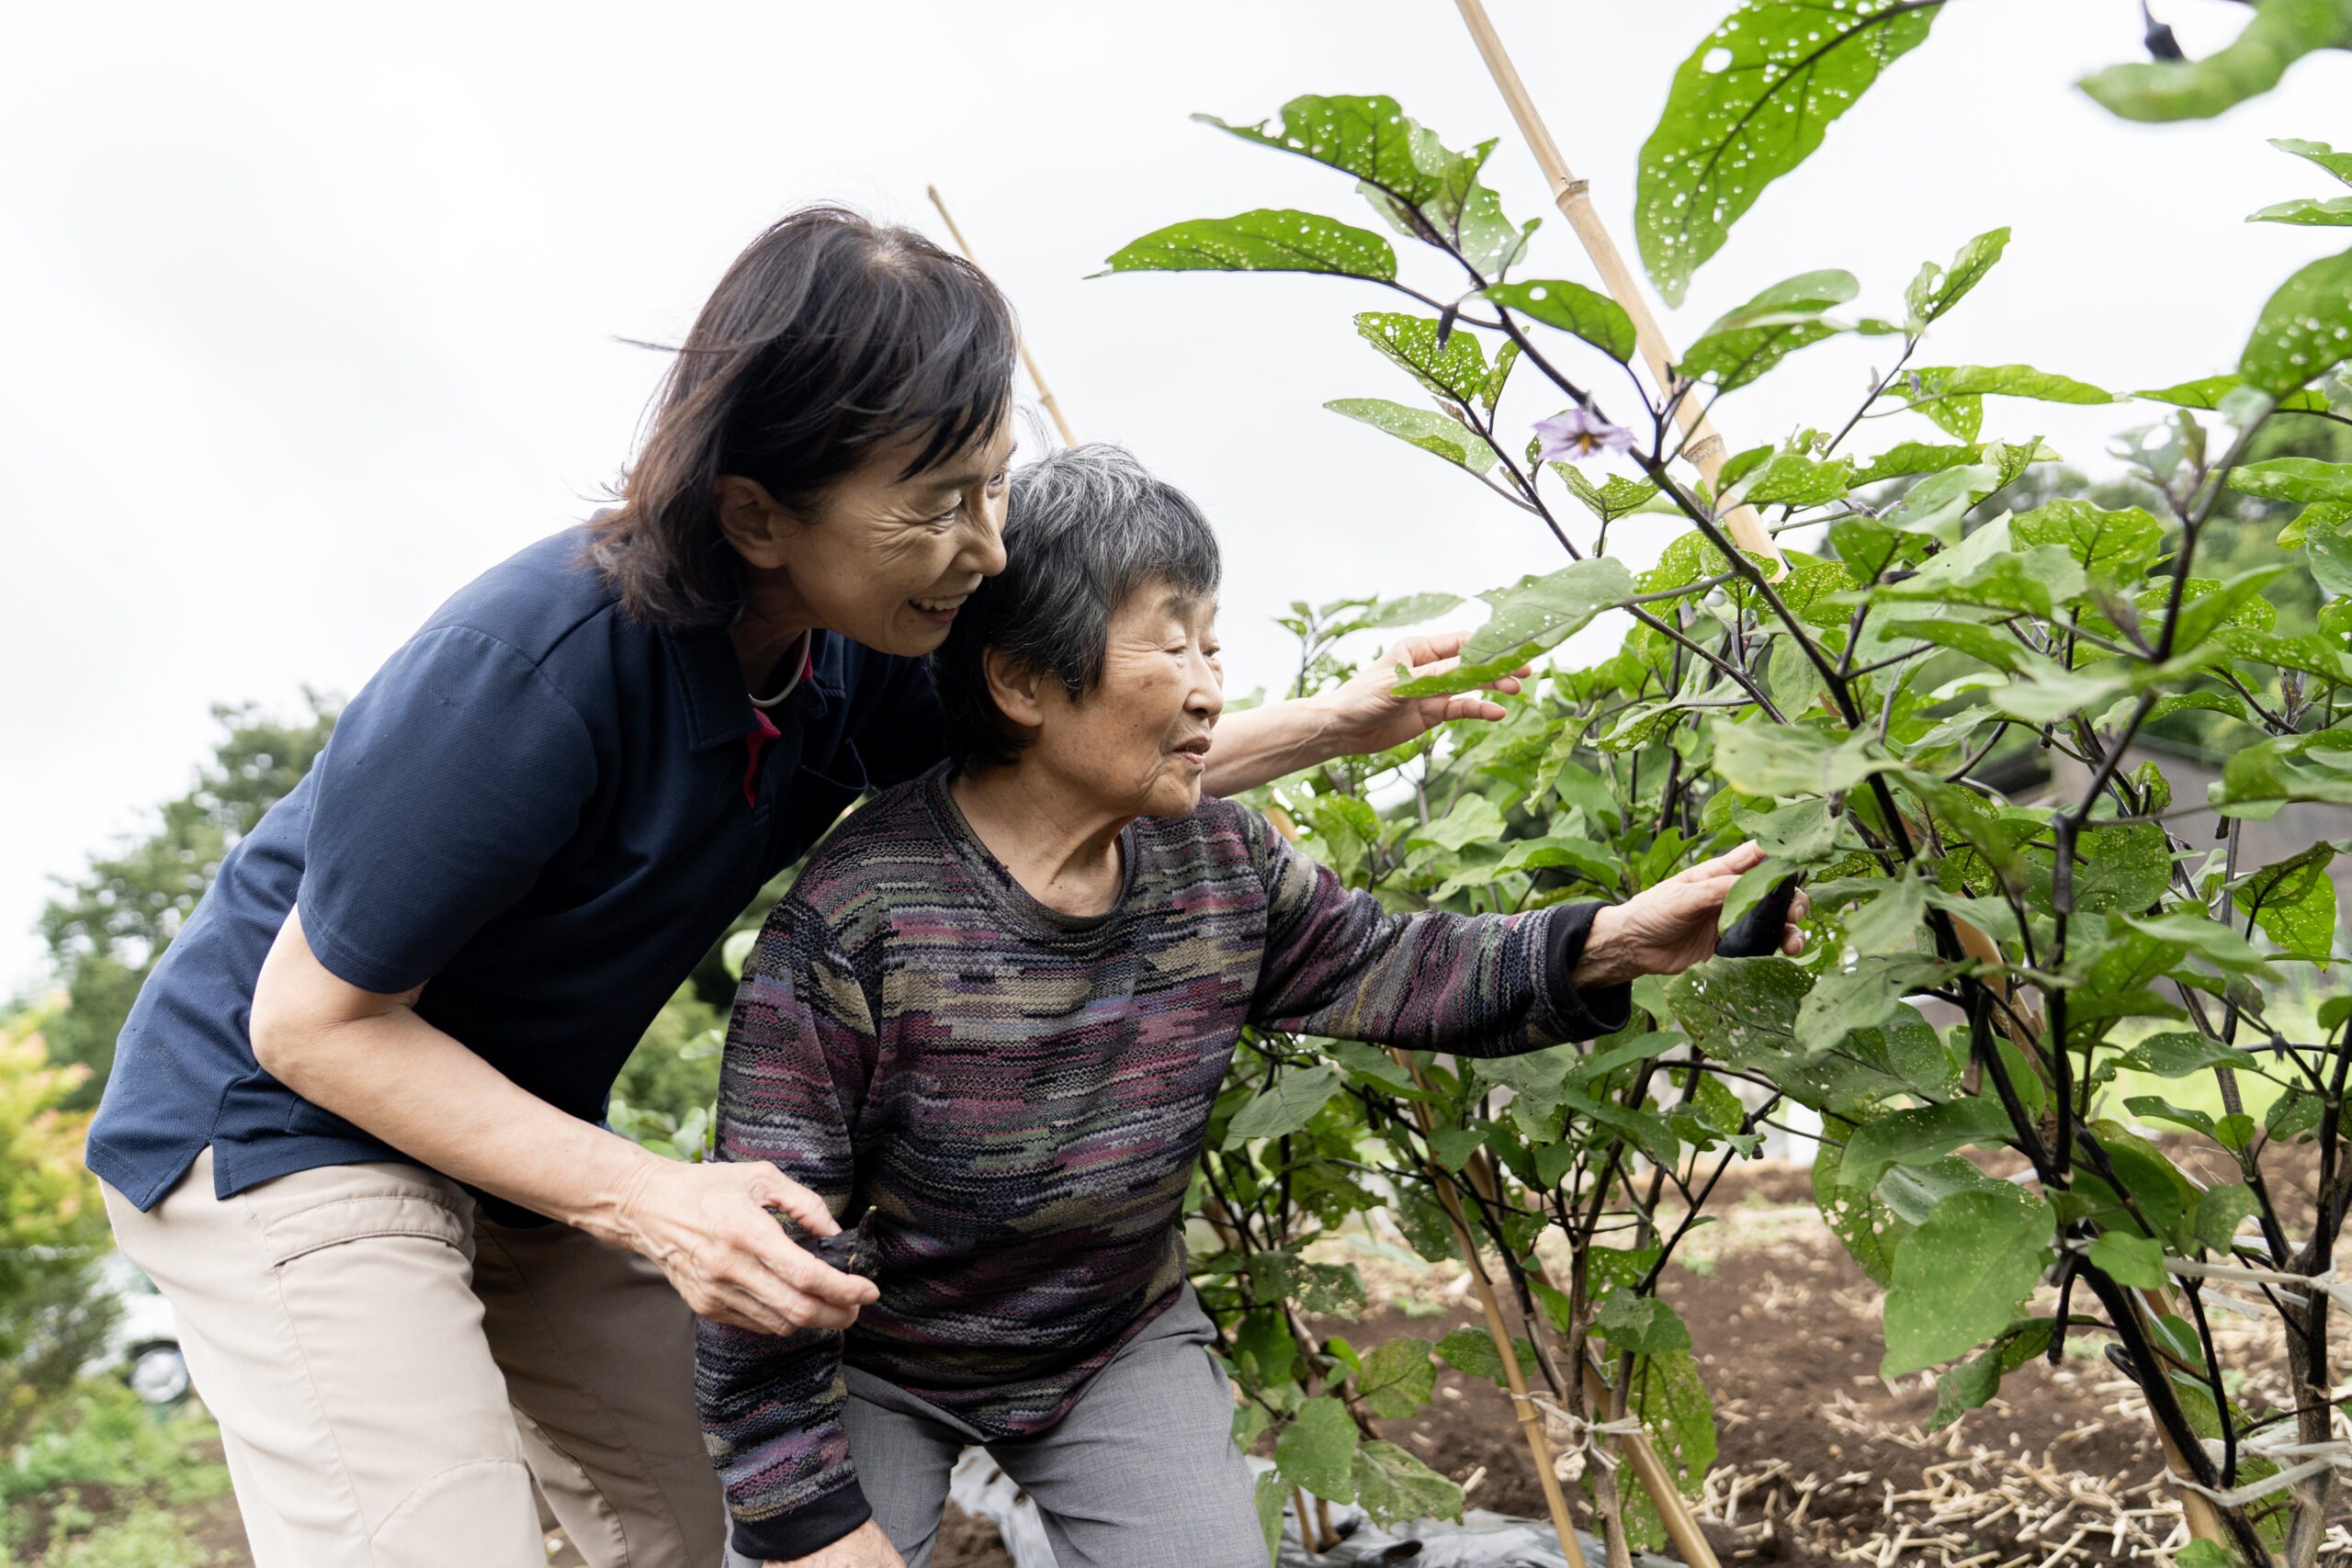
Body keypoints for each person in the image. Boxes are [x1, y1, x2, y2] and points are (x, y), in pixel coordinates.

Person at [86, 210, 1543, 1568]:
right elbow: (313, 1022)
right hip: (282, 1124)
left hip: (504, 1129)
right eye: (939, 502)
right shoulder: (532, 670)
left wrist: (1337, 720)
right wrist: (654, 1199)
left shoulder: (869, 648)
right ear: (759, 511)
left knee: (714, 1522)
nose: (989, 545)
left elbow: (1071, 770)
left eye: (991, 483)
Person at [698, 446, 1807, 1568]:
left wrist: (1619, 941)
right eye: (1171, 641)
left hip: (1108, 1348)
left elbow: (1397, 967)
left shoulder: (1215, 858)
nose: (1209, 686)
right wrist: (802, 1523)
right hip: (873, 1364)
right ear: (1021, 680)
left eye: (1213, 644)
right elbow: (762, 1254)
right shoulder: (860, 918)